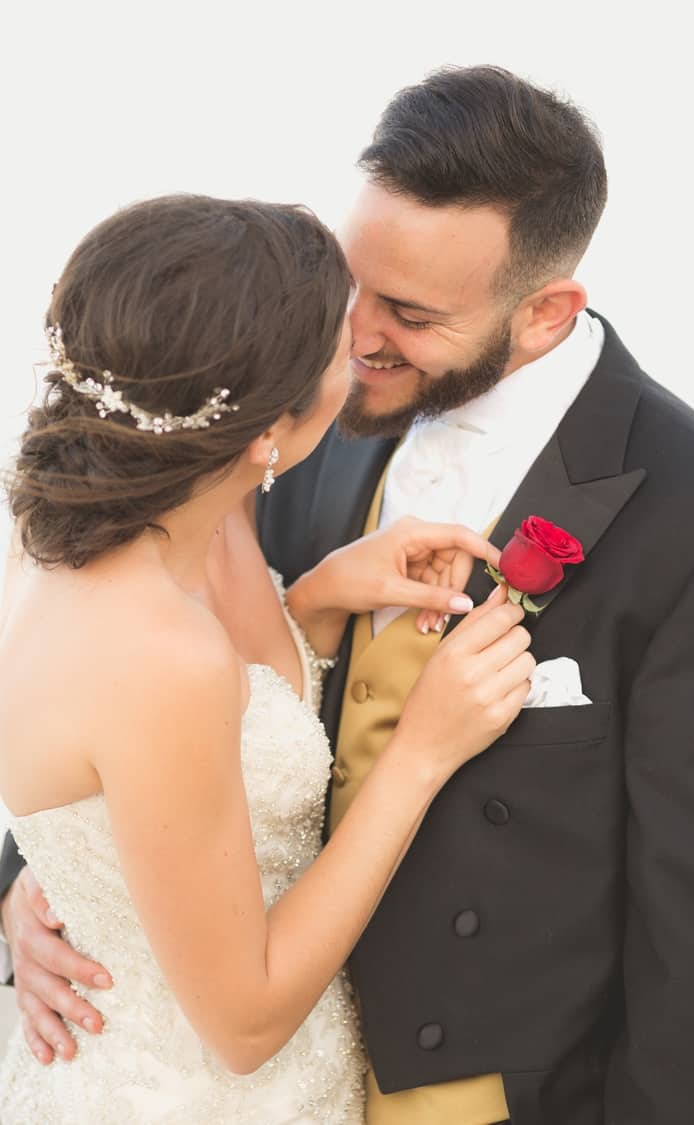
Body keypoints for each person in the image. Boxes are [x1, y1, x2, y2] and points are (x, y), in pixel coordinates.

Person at [3, 65, 694, 1125]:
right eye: (353, 287)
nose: (354, 339)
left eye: (408, 313)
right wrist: (36, 886)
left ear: (544, 313)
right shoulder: (262, 410)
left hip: (487, 1092)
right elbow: (116, 693)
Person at [0, 193, 535, 1123]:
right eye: (340, 346)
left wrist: (314, 602)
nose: (366, 342)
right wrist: (421, 752)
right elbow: (244, 1028)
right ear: (268, 436)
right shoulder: (160, 652)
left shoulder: (124, 532)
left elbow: (159, 761)